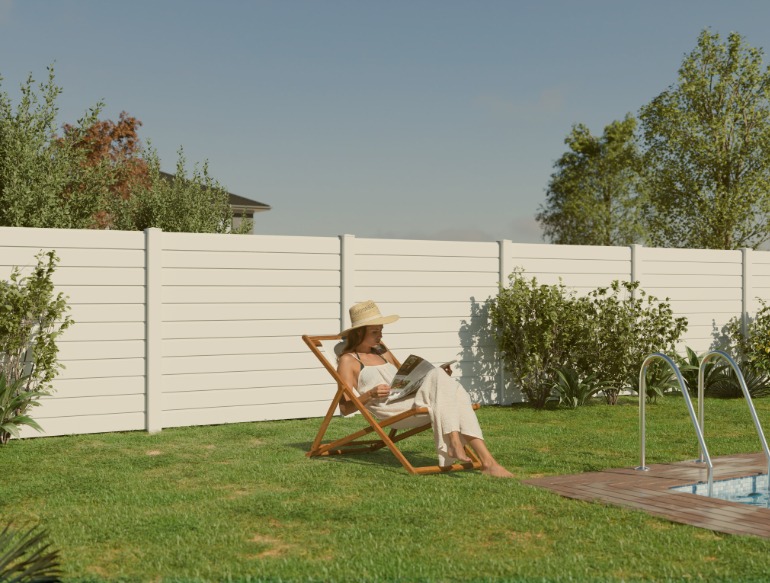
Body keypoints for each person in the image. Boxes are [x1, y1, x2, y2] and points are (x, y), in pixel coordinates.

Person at [336, 300, 514, 478]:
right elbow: (345, 408)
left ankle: (486, 461)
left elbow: (403, 382)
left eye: (381, 330)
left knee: (444, 380)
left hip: (409, 400)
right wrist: (370, 394)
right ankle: (460, 445)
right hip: (391, 411)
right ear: (359, 333)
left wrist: (430, 378)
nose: (380, 336)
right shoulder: (348, 361)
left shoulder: (382, 351)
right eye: (374, 332)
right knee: (447, 386)